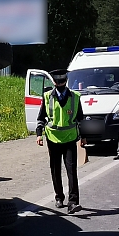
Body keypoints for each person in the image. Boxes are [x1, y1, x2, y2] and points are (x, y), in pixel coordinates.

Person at [36, 69, 85, 213]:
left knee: (71, 170)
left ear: (65, 81)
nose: (60, 84)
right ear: (54, 82)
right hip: (53, 138)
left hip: (70, 138)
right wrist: (39, 134)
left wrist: (83, 136)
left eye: (62, 81)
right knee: (55, 169)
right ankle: (59, 197)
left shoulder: (75, 96)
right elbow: (41, 118)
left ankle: (73, 202)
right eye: (57, 82)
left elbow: (80, 119)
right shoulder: (47, 96)